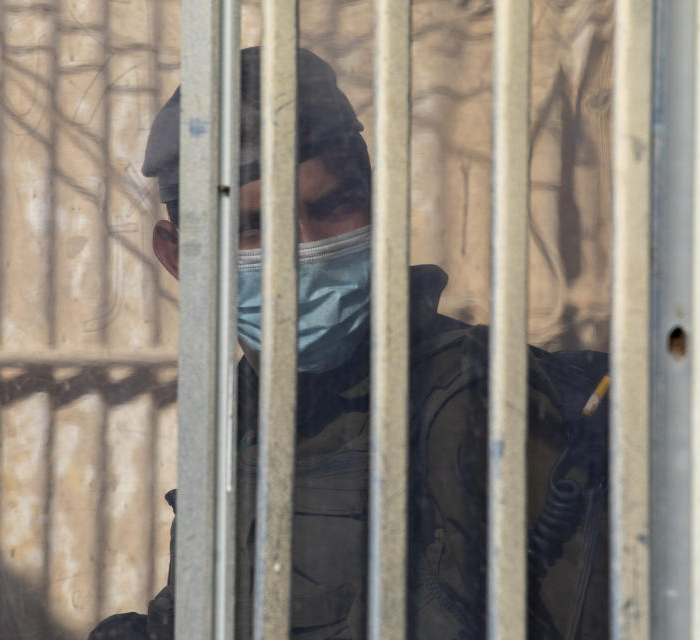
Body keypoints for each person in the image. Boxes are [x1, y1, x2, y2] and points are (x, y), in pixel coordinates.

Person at [89, 46, 608, 640]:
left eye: (332, 206)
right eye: (254, 224)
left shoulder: (470, 396)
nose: (302, 246)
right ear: (179, 256)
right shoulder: (248, 402)